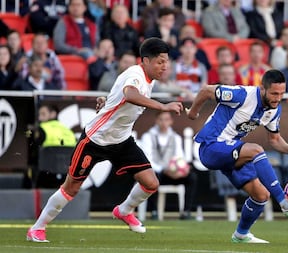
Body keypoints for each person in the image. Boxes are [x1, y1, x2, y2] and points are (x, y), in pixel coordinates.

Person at [26, 37, 183, 243]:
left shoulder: (148, 79)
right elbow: (129, 94)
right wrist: (163, 106)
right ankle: (37, 228)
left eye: (166, 61)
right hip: (95, 140)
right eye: (160, 61)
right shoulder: (135, 74)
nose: (165, 66)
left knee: (151, 183)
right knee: (71, 188)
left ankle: (124, 210)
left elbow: (118, 97)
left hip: (121, 140)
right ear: (145, 60)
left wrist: (106, 101)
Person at [186, 69, 288, 243]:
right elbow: (206, 90)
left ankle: (241, 234)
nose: (278, 98)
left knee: (261, 195)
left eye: (281, 93)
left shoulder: (274, 110)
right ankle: (283, 201)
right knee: (256, 150)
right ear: (262, 89)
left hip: (231, 151)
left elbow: (274, 140)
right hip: (210, 146)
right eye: (274, 93)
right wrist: (193, 112)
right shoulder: (242, 94)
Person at [140, 111, 198, 220]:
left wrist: (180, 170)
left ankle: (186, 211)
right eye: (161, 119)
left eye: (166, 120)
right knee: (152, 177)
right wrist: (163, 169)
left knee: (191, 177)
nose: (164, 123)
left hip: (172, 173)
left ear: (171, 121)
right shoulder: (148, 137)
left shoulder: (175, 137)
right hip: (158, 173)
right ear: (156, 121)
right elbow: (148, 160)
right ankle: (153, 211)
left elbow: (180, 157)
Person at [31, 104, 77, 188]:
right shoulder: (68, 131)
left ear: (53, 114)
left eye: (43, 114)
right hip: (66, 178)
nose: (40, 118)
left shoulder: (41, 129)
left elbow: (32, 152)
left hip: (45, 177)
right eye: (39, 115)